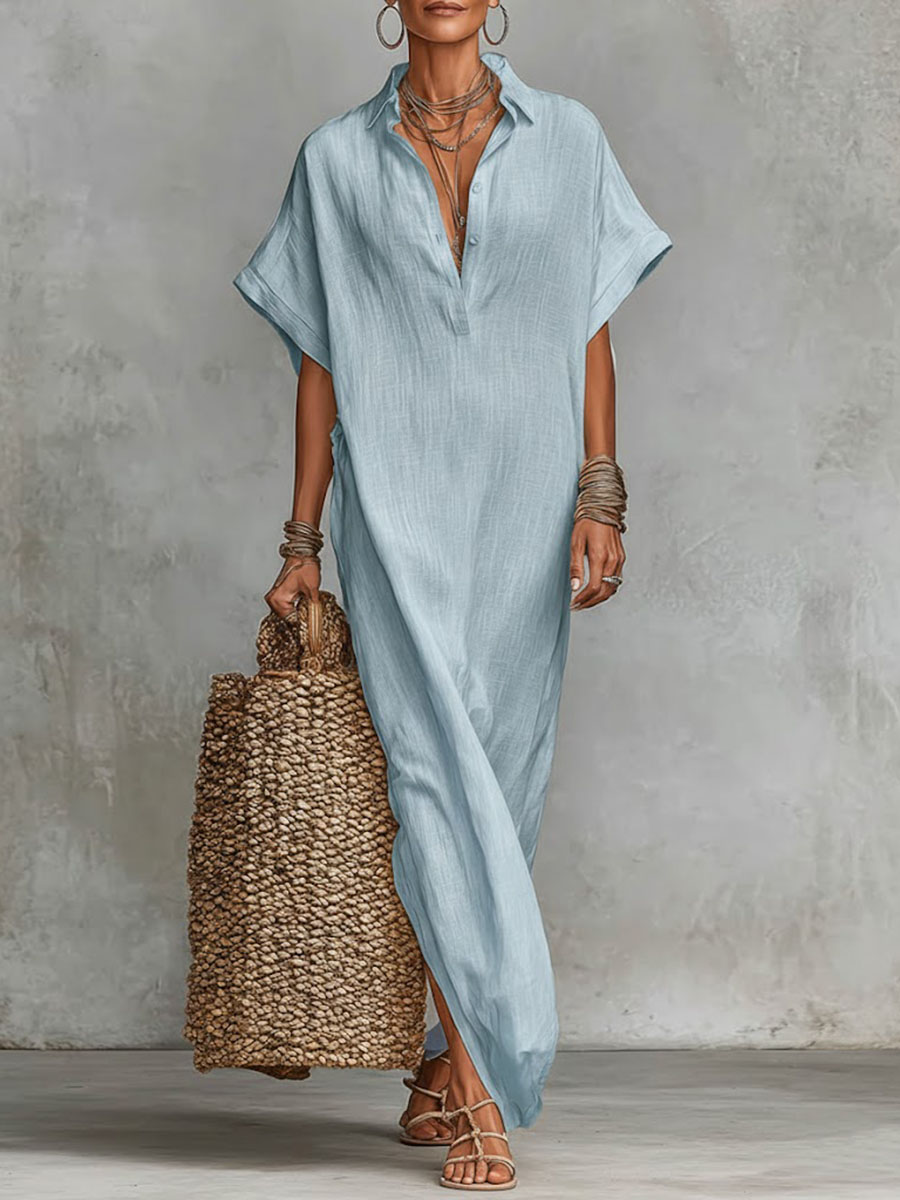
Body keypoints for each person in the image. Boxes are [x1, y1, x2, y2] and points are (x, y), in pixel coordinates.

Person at [233, 1, 671, 1189]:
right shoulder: (336, 158)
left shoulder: (569, 138)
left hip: (526, 511)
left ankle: (439, 1059)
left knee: (502, 791)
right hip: (396, 511)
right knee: (431, 787)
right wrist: (302, 536)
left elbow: (589, 325)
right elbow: (320, 356)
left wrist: (600, 490)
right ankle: (481, 1094)